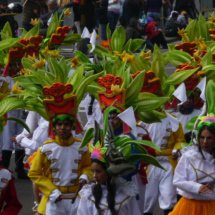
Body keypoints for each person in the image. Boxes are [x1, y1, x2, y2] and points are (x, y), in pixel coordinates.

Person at [28, 82, 93, 215]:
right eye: (59, 124)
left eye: (66, 124)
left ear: (73, 126)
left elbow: (88, 166)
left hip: (77, 198)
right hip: (54, 199)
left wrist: (86, 175)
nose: (62, 128)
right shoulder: (45, 148)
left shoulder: (82, 147)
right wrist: (52, 191)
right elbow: (34, 173)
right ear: (54, 126)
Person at [78, 121, 142, 215]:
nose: (95, 176)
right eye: (93, 171)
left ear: (109, 172)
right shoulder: (87, 195)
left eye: (99, 171)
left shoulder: (126, 194)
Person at [169, 114, 215, 215]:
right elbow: (177, 180)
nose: (205, 142)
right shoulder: (189, 156)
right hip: (189, 206)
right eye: (202, 137)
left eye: (209, 138)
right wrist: (198, 187)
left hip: (212, 206)